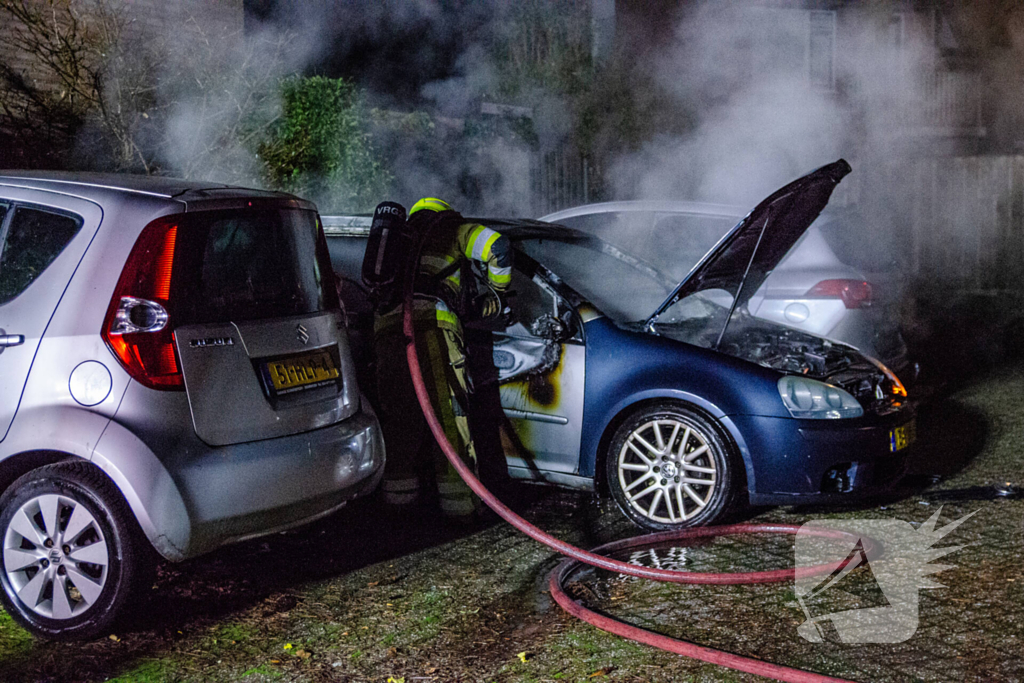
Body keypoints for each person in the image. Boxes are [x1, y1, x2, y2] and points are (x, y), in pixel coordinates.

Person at [374, 197, 512, 520]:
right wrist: (496, 293)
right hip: (431, 327)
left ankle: (398, 505)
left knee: (399, 418)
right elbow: (500, 248)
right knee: (449, 418)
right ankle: (461, 506)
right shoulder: (454, 229)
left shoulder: (399, 237)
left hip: (385, 329)